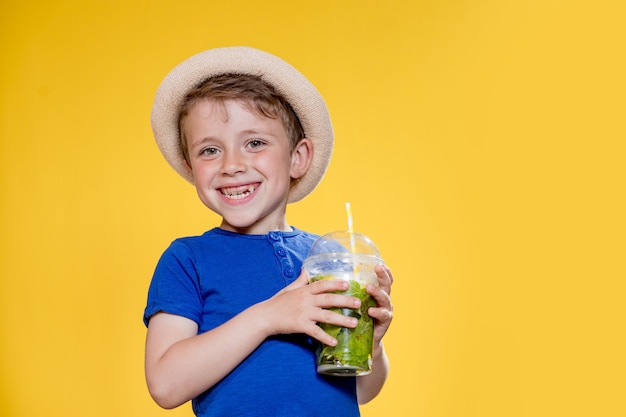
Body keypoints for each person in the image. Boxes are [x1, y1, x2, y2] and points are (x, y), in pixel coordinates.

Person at [143, 46, 394, 417]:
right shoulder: (187, 259)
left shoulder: (324, 260)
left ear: (298, 157)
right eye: (210, 150)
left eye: (255, 143)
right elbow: (165, 385)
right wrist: (269, 317)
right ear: (190, 166)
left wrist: (369, 344)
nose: (231, 165)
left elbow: (362, 390)